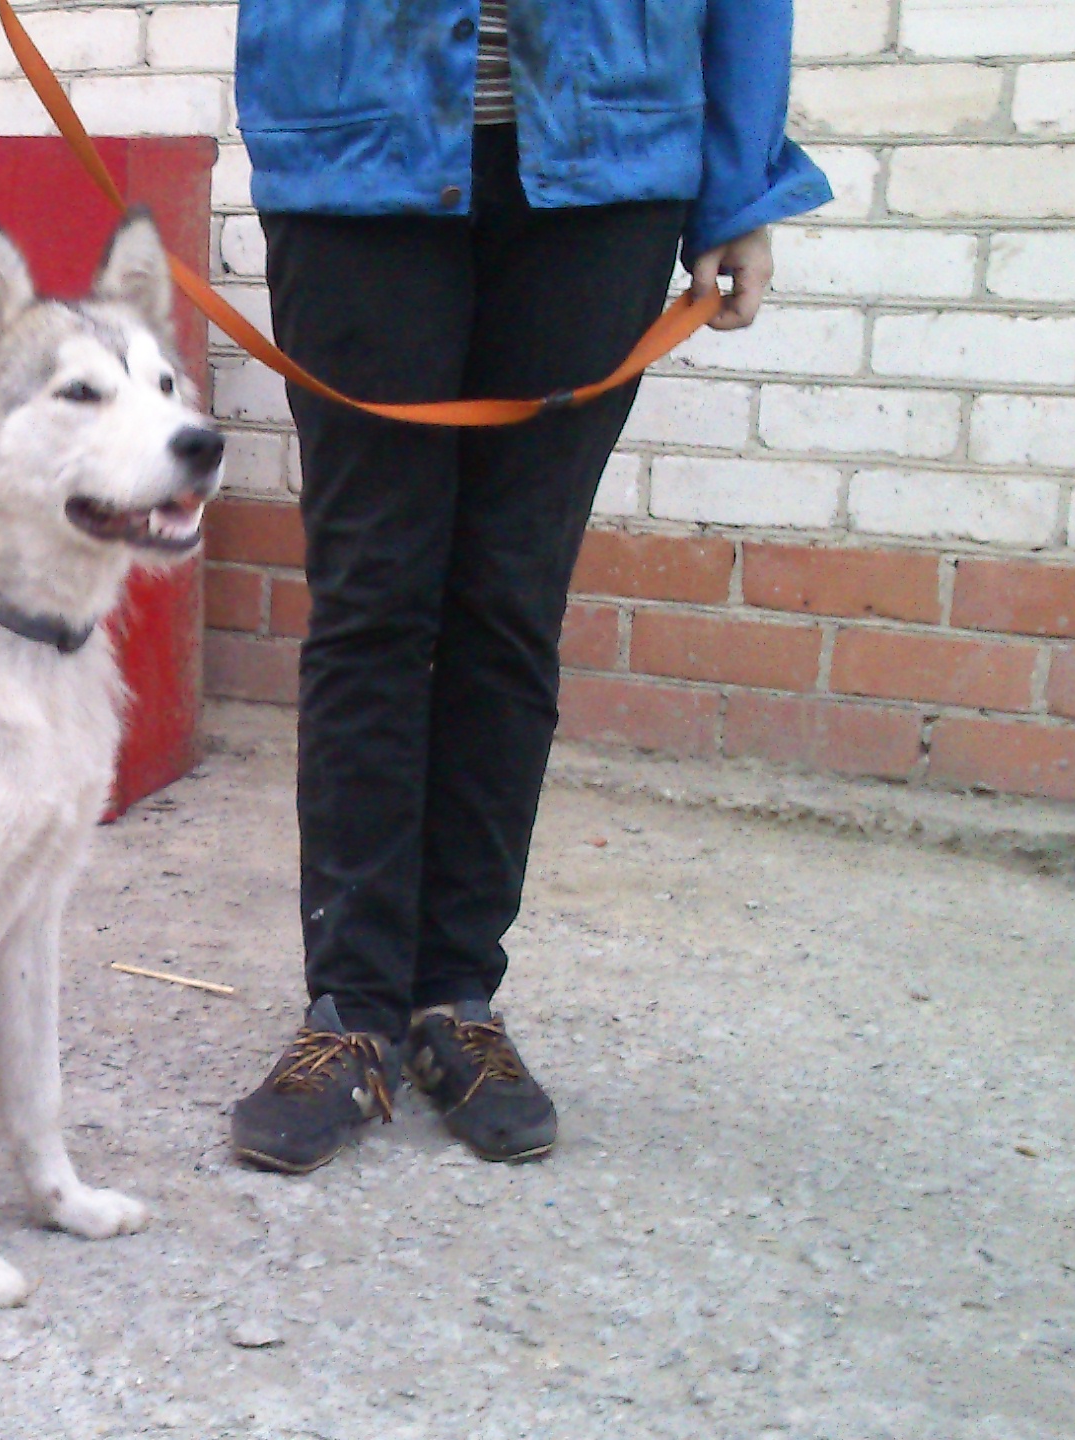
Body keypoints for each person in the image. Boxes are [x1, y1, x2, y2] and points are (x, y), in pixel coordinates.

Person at [225, 0, 829, 1172]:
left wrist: (736, 190)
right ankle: (349, 1010)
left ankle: (456, 999)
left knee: (508, 598)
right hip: (354, 134)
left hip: (605, 157)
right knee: (370, 595)